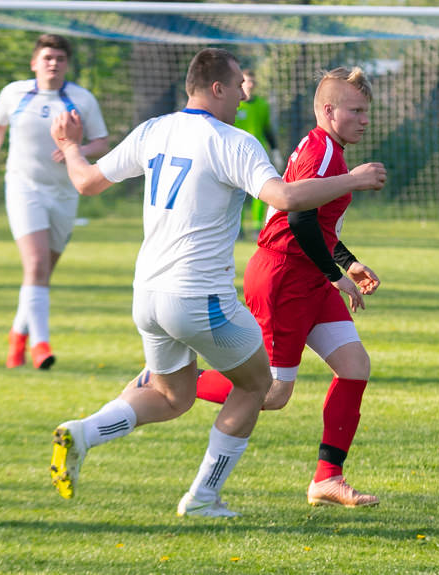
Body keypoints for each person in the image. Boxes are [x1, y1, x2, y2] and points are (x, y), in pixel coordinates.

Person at [46, 48, 386, 517]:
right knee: (260, 387)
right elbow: (286, 200)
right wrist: (355, 180)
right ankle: (203, 497)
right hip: (203, 293)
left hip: (147, 293)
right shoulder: (235, 141)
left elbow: (84, 182)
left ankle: (83, 432)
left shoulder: (154, 129)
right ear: (217, 88)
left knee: (173, 397)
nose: (246, 94)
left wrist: (67, 146)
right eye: (239, 86)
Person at [175, 66, 381, 508]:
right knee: (271, 393)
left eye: (367, 111)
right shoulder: (325, 154)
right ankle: (174, 381)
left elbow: (319, 222)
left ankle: (328, 479)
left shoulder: (327, 148)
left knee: (354, 366)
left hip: (308, 274)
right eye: (356, 110)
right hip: (285, 277)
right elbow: (298, 219)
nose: (365, 119)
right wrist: (336, 275)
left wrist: (349, 261)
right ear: (329, 110)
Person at [0, 34, 109, 369]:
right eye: (47, 57)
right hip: (24, 188)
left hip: (65, 194)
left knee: (41, 273)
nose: (53, 63)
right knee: (34, 266)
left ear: (67, 64)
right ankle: (41, 345)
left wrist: (73, 150)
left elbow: (101, 143)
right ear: (34, 62)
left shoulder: (81, 99)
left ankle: (17, 336)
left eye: (60, 58)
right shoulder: (14, 93)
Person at [235, 69, 282, 237]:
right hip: (237, 155)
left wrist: (275, 151)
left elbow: (267, 130)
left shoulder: (262, 104)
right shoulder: (235, 104)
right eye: (247, 81)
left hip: (258, 154)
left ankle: (256, 228)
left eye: (253, 81)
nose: (251, 84)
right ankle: (237, 228)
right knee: (237, 192)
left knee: (260, 191)